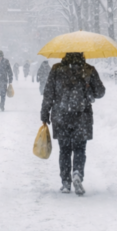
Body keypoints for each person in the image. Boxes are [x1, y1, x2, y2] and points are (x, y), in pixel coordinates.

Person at [39, 52, 105, 196]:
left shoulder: (56, 69)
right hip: (82, 117)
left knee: (64, 150)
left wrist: (45, 113)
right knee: (80, 149)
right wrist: (88, 88)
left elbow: (48, 93)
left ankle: (66, 183)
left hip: (60, 116)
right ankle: (77, 173)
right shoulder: (89, 69)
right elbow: (100, 92)